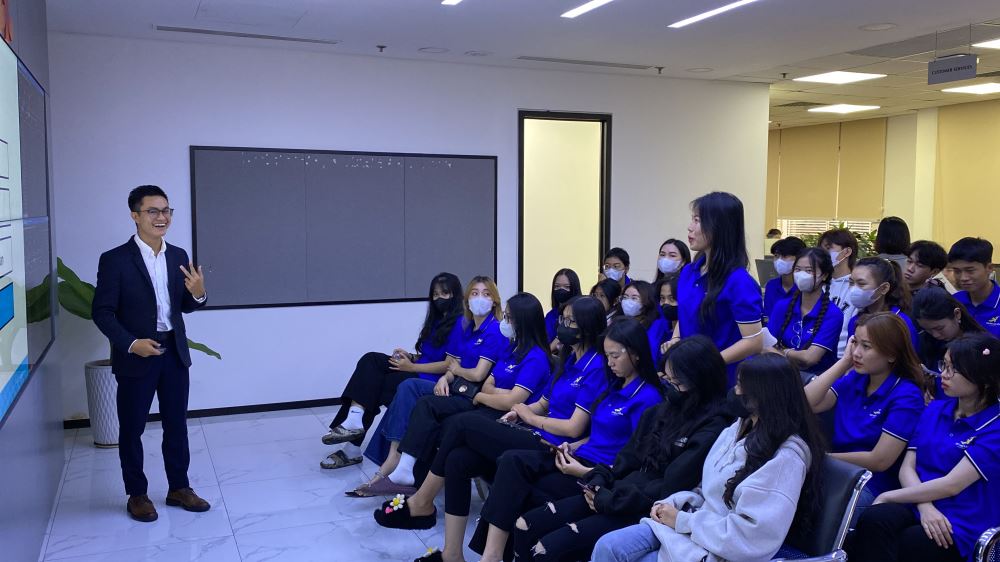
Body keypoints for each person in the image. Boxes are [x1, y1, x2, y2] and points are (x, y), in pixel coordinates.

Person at [369, 297, 609, 554]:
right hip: (532, 429)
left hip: (553, 445)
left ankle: (422, 501)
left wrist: (528, 416)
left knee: (462, 424)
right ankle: (451, 555)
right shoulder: (569, 360)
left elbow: (573, 428)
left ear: (588, 326)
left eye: (571, 321)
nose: (563, 326)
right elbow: (542, 403)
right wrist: (520, 413)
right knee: (458, 459)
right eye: (563, 319)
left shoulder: (595, 366)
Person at [472, 336, 732, 562]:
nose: (671, 388)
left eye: (678, 382)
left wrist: (607, 497)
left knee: (547, 547)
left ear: (701, 381)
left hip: (645, 507)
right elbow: (628, 457)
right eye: (668, 379)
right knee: (523, 522)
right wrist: (598, 480)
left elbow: (670, 485)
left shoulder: (712, 426)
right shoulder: (660, 410)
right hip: (611, 485)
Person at [591, 354, 826, 562]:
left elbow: (750, 538)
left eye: (741, 386)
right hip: (693, 527)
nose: (735, 392)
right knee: (608, 546)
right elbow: (707, 490)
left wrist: (682, 521)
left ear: (765, 396)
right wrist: (673, 504)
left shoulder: (785, 459)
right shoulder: (737, 428)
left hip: (720, 549)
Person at [92, 185, 210, 522]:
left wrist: (199, 294)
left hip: (174, 351)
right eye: (153, 211)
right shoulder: (115, 259)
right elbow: (102, 312)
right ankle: (137, 494)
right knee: (132, 429)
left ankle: (179, 487)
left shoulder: (178, 255)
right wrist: (132, 344)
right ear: (135, 215)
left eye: (166, 211)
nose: (162, 217)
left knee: (177, 425)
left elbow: (185, 304)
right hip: (137, 354)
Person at [365, 292, 552, 496]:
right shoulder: (511, 348)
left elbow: (511, 401)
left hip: (508, 418)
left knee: (450, 424)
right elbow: (488, 385)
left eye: (509, 317)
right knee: (426, 405)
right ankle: (407, 472)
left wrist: (481, 396)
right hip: (487, 404)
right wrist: (492, 393)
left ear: (523, 321)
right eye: (505, 316)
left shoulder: (535, 358)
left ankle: (414, 482)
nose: (505, 322)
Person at [846, 333, 1000, 562]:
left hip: (961, 518)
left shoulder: (994, 427)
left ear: (983, 379)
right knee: (873, 520)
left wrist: (888, 496)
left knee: (910, 543)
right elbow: (907, 467)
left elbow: (952, 485)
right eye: (944, 365)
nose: (944, 375)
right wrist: (924, 506)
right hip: (919, 501)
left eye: (954, 369)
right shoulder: (936, 409)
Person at [355, 276, 506, 494]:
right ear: (467, 300)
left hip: (471, 396)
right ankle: (394, 457)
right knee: (406, 387)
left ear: (494, 301)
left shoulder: (495, 330)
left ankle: (397, 463)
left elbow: (476, 374)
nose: (479, 298)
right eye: (474, 293)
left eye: (486, 294)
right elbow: (454, 365)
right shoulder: (468, 329)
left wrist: (453, 371)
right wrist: (446, 377)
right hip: (455, 386)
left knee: (417, 396)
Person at [319, 272, 463, 469]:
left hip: (431, 381)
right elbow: (430, 355)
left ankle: (352, 445)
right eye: (435, 294)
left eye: (444, 294)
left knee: (374, 386)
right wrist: (410, 356)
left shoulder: (460, 324)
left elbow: (449, 364)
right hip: (416, 369)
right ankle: (354, 417)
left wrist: (412, 366)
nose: (439, 299)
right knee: (371, 360)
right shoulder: (436, 321)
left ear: (455, 295)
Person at [804, 313, 925, 503]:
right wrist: (843, 362)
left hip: (869, 484)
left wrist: (824, 458)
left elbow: (879, 460)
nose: (857, 353)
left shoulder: (907, 396)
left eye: (866, 346)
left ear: (892, 354)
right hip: (835, 470)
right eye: (855, 343)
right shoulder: (857, 378)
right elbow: (806, 403)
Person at [670, 191, 763, 387]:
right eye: (692, 219)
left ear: (719, 227)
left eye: (697, 220)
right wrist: (676, 338)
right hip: (689, 375)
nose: (690, 227)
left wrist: (707, 365)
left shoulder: (739, 282)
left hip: (723, 381)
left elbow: (753, 342)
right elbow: (687, 314)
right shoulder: (688, 271)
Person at [766, 247, 844, 377]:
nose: (802, 275)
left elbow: (810, 358)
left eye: (809, 270)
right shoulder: (782, 306)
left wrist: (784, 351)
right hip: (780, 376)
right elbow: (765, 346)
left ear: (824, 275)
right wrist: (795, 356)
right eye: (797, 269)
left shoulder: (833, 314)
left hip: (816, 380)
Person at [912, 286, 987, 379]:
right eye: (927, 330)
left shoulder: (981, 347)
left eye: (939, 328)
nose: (935, 335)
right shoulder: (926, 342)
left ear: (957, 314)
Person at [847, 257, 919, 351]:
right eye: (851, 283)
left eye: (861, 284)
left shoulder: (901, 323)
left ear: (884, 288)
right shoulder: (855, 321)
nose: (853, 289)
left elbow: (911, 357)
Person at [819, 227, 860, 357]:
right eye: (821, 249)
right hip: (814, 350)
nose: (823, 254)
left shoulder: (858, 286)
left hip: (843, 356)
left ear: (847, 251)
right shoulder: (818, 283)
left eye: (828, 248)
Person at [948, 237, 1000, 338]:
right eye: (957, 271)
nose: (963, 278)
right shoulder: (953, 301)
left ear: (989, 268)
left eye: (970, 270)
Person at [620, 281, 671, 366]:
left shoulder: (657, 326)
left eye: (634, 298)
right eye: (625, 297)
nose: (628, 302)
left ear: (647, 301)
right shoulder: (619, 323)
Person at [763, 237, 806, 326]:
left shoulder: (806, 286)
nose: (779, 260)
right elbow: (767, 317)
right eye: (776, 256)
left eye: (785, 256)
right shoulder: (771, 285)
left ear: (799, 258)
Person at [546, 269, 582, 345]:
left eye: (566, 287)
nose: (561, 290)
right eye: (557, 286)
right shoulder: (551, 315)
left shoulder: (582, 314)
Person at [654, 274, 680, 343]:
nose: (666, 303)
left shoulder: (692, 331)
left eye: (672, 298)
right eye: (662, 298)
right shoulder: (657, 328)